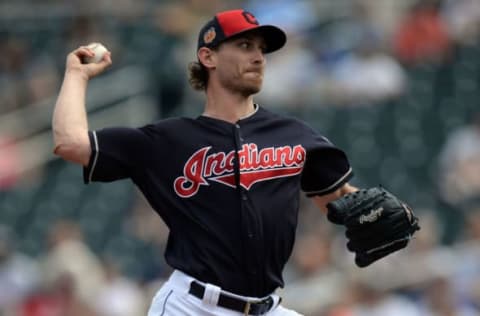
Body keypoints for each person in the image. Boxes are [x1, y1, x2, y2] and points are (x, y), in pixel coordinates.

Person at [52, 9, 418, 316]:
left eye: (261, 48)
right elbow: (70, 143)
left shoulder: (294, 134)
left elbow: (341, 201)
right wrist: (76, 75)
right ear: (208, 57)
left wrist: (374, 212)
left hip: (268, 307)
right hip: (192, 306)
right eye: (244, 45)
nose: (258, 56)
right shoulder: (166, 140)